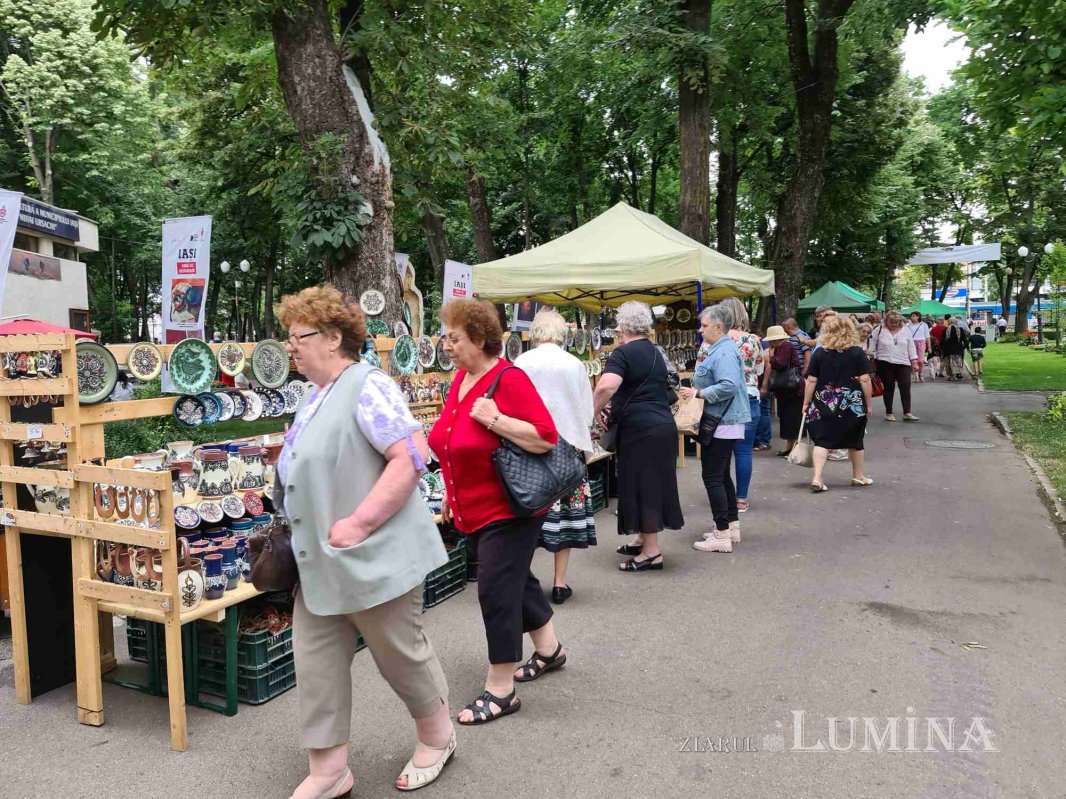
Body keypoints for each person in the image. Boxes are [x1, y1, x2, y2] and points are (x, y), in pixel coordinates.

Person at [274, 285, 454, 798]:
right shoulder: (315, 396)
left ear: (333, 339)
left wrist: (358, 523)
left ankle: (438, 738)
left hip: (372, 556)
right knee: (316, 664)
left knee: (401, 655)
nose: (290, 346)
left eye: (298, 337)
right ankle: (330, 771)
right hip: (320, 563)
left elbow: (411, 456)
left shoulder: (367, 384)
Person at [427, 299, 566, 725]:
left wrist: (496, 419)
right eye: (445, 336)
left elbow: (545, 437)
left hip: (510, 507)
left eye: (453, 337)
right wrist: (450, 490)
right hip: (474, 505)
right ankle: (549, 650)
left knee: (495, 589)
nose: (444, 345)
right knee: (515, 579)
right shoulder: (462, 380)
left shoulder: (509, 378)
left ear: (481, 338)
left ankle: (501, 689)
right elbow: (450, 440)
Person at [593, 301, 684, 572]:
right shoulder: (657, 352)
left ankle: (652, 553)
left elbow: (607, 386)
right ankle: (643, 539)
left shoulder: (622, 354)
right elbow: (672, 384)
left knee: (643, 486)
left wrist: (591, 411)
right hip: (662, 426)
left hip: (639, 430)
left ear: (622, 327)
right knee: (652, 483)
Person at [513, 309, 596, 605]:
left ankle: (523, 579)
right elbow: (587, 412)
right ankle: (560, 583)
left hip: (529, 447)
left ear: (535, 332)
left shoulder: (521, 362)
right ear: (561, 333)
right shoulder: (574, 364)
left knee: (529, 514)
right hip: (567, 450)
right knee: (565, 519)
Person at [679, 304, 750, 552]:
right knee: (721, 476)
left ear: (719, 327)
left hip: (723, 421)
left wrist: (698, 392)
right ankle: (730, 527)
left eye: (704, 325)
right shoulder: (721, 349)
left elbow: (728, 385)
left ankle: (721, 535)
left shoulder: (724, 352)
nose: (701, 330)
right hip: (725, 421)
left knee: (712, 478)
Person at [802, 316, 874, 492]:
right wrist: (868, 404)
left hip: (823, 401)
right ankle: (858, 475)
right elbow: (865, 380)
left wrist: (806, 403)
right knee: (855, 440)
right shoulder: (857, 353)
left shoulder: (819, 353)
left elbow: (811, 380)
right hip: (851, 402)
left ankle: (817, 477)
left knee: (821, 441)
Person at [717, 297, 762, 513]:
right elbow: (759, 368)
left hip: (723, 401)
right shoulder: (753, 340)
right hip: (750, 396)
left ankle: (723, 495)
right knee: (744, 452)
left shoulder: (717, 340)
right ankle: (741, 498)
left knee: (722, 451)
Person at [868, 311, 919, 421]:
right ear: (886, 321)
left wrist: (914, 361)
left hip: (903, 361)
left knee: (905, 385)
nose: (894, 324)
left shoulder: (906, 330)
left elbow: (911, 346)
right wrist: (874, 355)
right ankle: (889, 412)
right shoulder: (879, 330)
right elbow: (871, 344)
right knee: (888, 387)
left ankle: (907, 412)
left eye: (896, 322)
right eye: (891, 322)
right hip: (885, 361)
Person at [762, 325, 804, 455]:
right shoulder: (785, 346)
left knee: (791, 419)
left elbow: (780, 364)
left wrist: (771, 356)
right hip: (788, 389)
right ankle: (790, 448)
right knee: (788, 419)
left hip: (791, 389)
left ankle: (793, 449)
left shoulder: (784, 347)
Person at [906, 311, 932, 383]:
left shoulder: (924, 325)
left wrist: (929, 347)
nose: (912, 317)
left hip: (921, 342)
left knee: (920, 360)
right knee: (914, 360)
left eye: (913, 316)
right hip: (912, 343)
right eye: (911, 316)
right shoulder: (909, 325)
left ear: (918, 317)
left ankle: (920, 373)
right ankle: (916, 376)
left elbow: (927, 336)